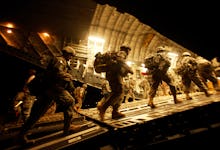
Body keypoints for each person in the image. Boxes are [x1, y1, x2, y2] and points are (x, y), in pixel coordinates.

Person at [17, 46, 82, 143]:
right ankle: (67, 128)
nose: (71, 58)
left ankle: (22, 135)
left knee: (37, 113)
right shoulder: (60, 61)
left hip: (48, 90)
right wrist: (68, 76)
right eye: (71, 55)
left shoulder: (61, 61)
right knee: (69, 102)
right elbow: (57, 73)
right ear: (67, 54)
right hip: (54, 89)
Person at [97, 45, 134, 121]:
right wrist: (129, 69)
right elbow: (120, 61)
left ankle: (115, 112)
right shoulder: (122, 53)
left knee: (120, 93)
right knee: (118, 92)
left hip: (113, 74)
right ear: (126, 50)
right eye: (129, 50)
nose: (129, 52)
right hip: (114, 75)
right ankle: (103, 108)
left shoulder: (115, 53)